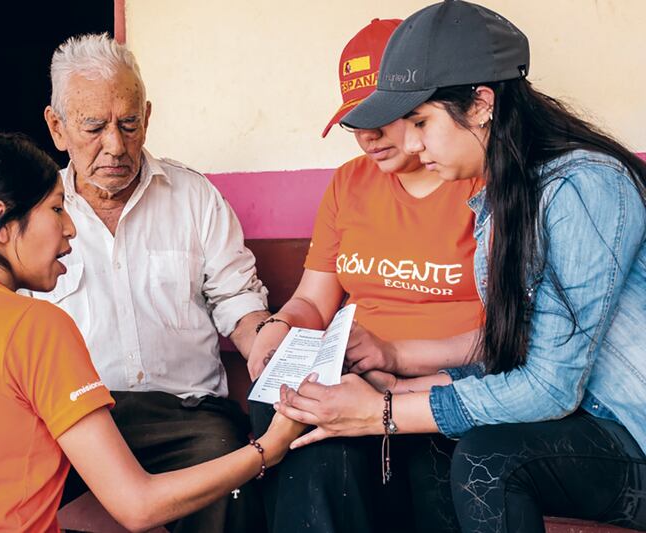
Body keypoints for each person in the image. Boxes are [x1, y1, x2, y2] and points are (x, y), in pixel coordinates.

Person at [277, 2, 646, 532]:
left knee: (483, 461)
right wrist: (384, 389)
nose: (409, 142)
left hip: (628, 431)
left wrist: (380, 410)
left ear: (480, 105)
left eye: (421, 121)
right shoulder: (499, 201)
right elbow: (511, 358)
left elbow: (548, 388)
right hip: (588, 424)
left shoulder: (585, 186)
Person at [0, 132, 302, 533]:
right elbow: (137, 505)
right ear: (2, 221)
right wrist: (269, 447)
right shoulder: (34, 326)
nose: (69, 228)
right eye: (55, 208)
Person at [247, 18, 483, 533]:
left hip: (444, 381)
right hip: (349, 373)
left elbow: (515, 334)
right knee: (301, 435)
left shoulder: (478, 179)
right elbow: (313, 300)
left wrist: (397, 368)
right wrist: (278, 331)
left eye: (385, 115)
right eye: (355, 119)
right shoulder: (348, 185)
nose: (367, 136)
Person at [32, 33, 271, 532]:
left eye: (129, 123)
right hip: (74, 422)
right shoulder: (34, 217)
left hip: (189, 416)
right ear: (57, 127)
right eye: (94, 127)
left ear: (148, 115)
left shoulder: (193, 196)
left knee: (225, 464)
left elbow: (237, 298)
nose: (115, 146)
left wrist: (266, 347)